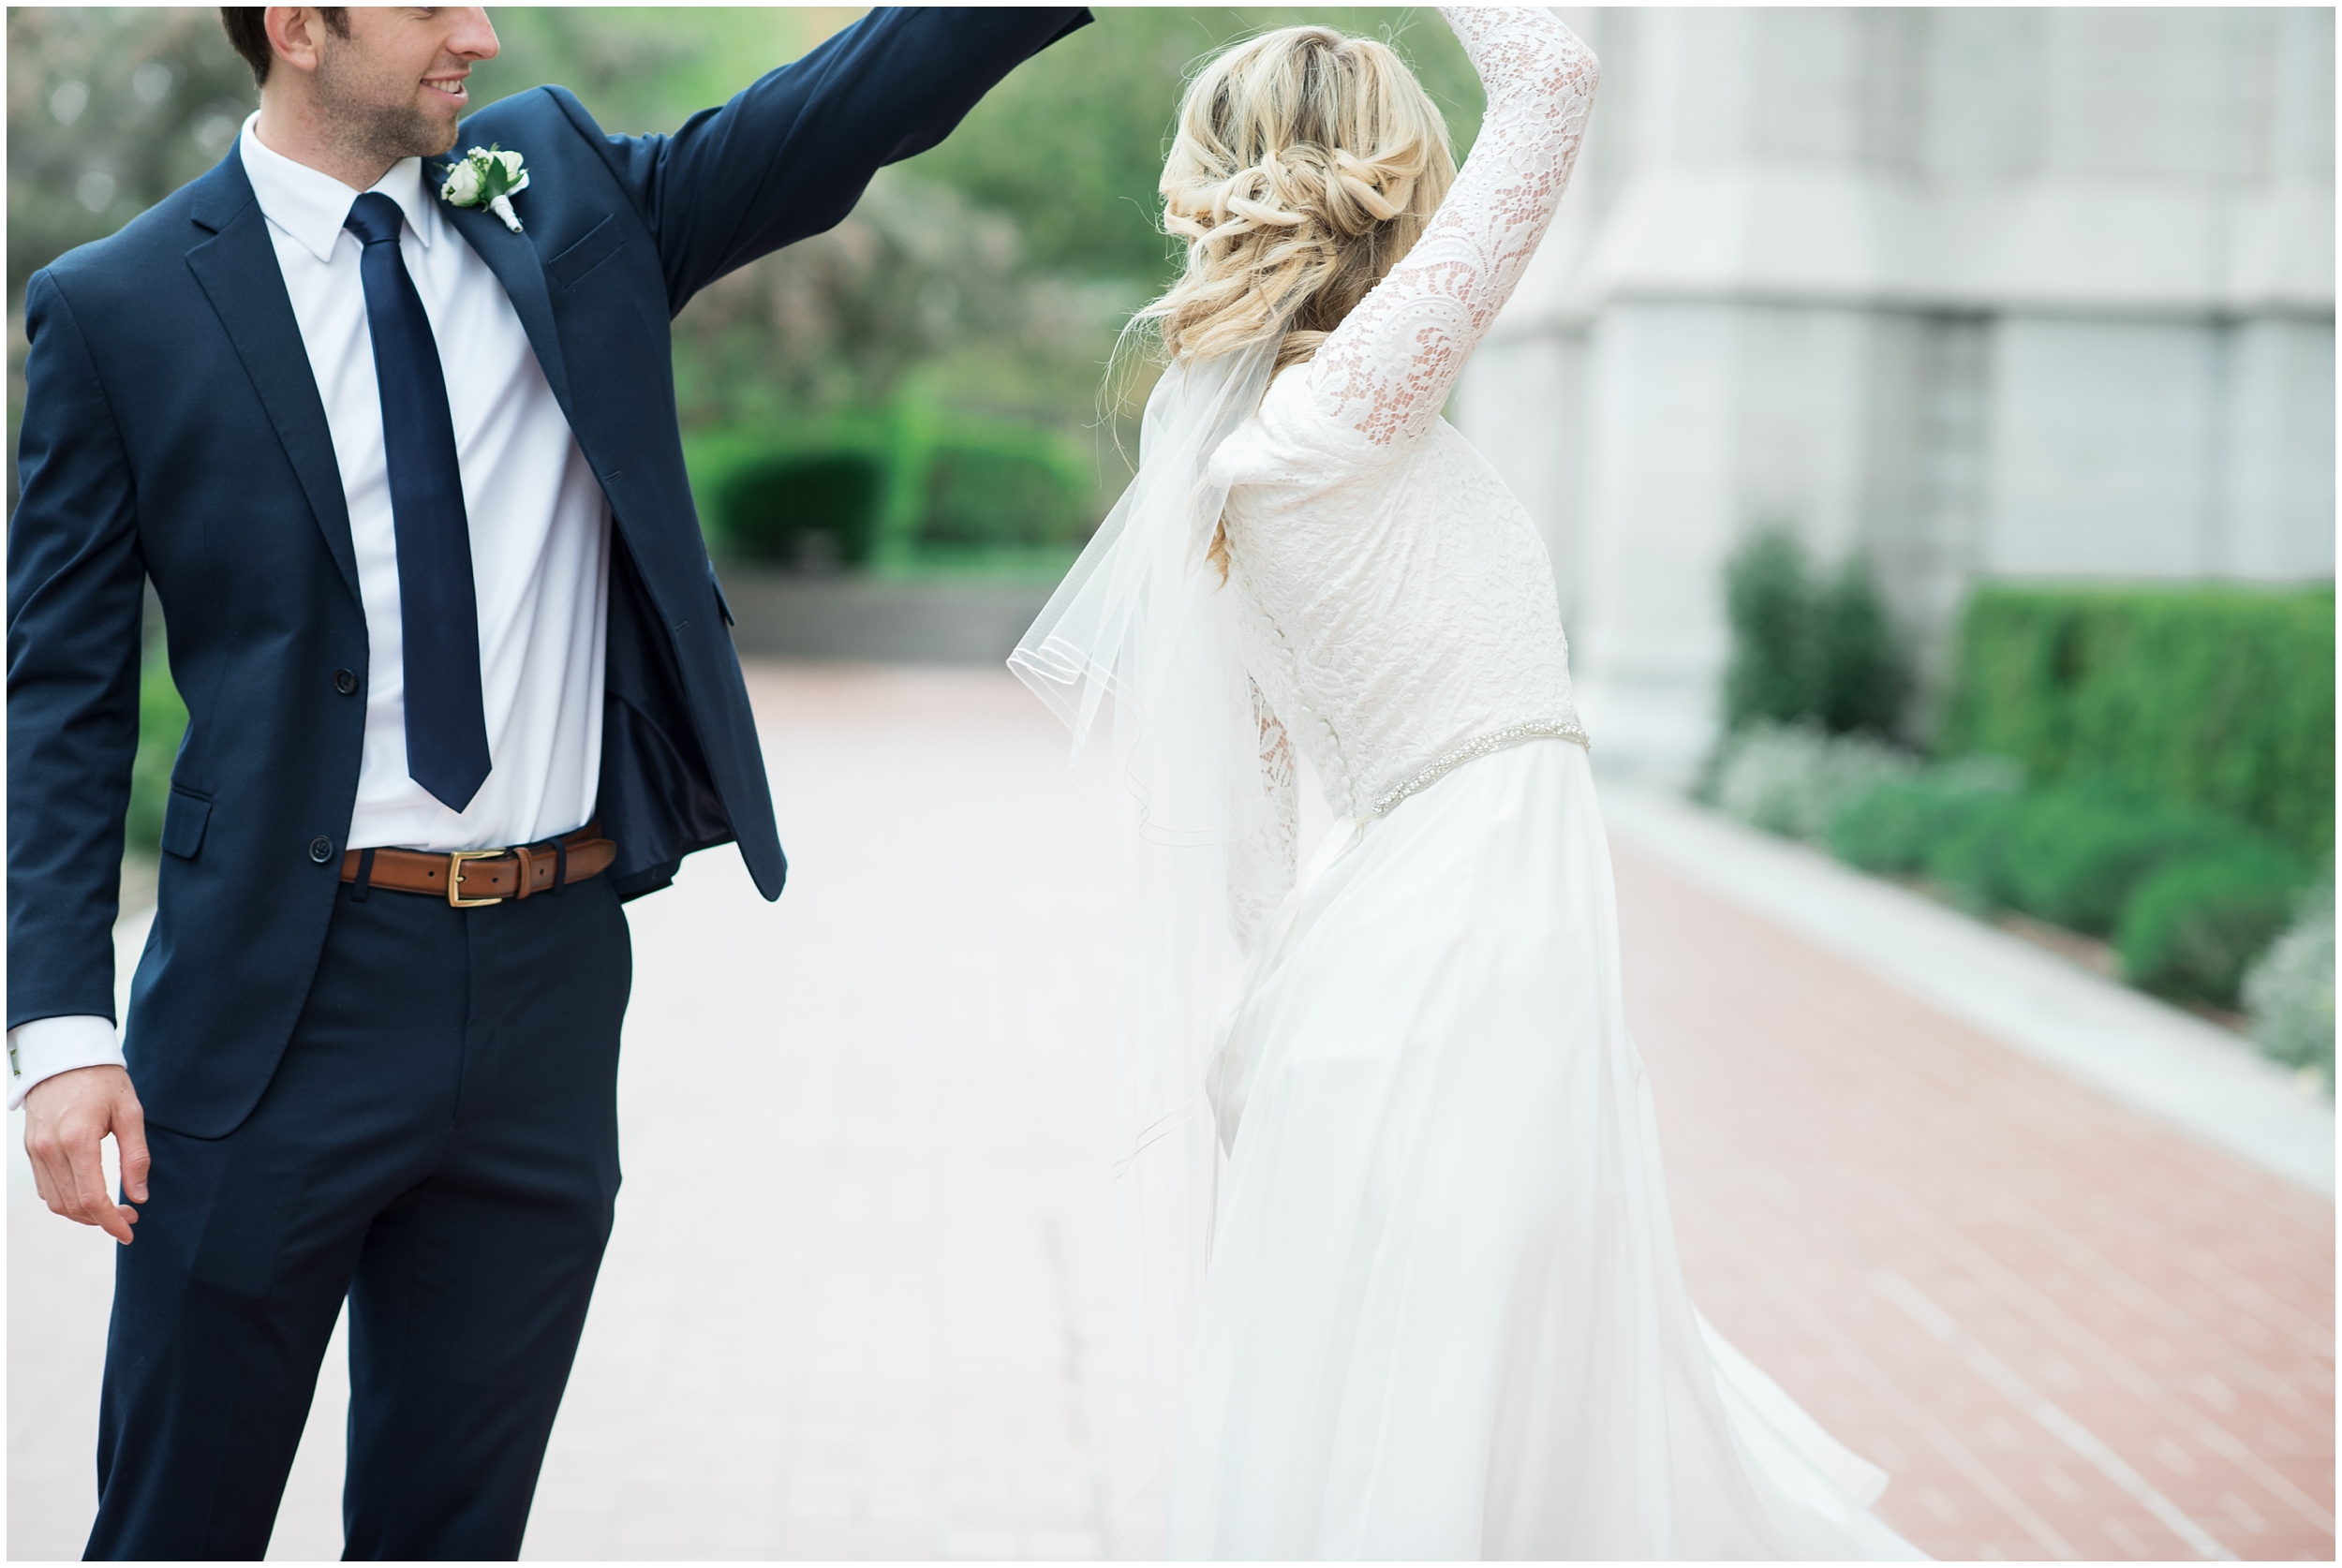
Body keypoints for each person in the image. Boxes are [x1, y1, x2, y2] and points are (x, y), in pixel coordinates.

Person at [8, 5, 1086, 1558]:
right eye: (434, 7)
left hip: (544, 991)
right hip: (268, 1010)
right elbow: (63, 692)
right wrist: (58, 1032)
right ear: (301, 27)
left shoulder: (559, 187)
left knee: (455, 1533)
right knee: (179, 1524)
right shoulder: (120, 307)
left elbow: (837, 114)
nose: (484, 34)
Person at [1012, 7, 1926, 1558]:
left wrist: (1269, 1031)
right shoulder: (1348, 410)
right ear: (1382, 179)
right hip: (1471, 952)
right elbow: (1557, 75)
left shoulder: (1257, 461)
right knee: (1479, 1416)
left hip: (1394, 961)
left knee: (1475, 1400)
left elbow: (1246, 825)